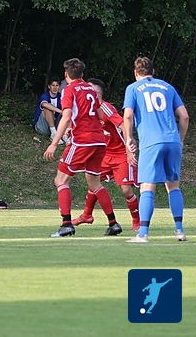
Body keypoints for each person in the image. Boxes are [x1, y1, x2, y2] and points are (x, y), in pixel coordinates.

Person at [42, 58, 121, 237]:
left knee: (61, 180)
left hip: (82, 141)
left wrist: (54, 143)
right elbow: (100, 114)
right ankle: (113, 223)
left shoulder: (69, 90)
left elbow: (67, 115)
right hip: (99, 141)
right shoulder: (91, 89)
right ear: (82, 74)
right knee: (95, 183)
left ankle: (66, 224)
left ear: (66, 74)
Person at [122, 56, 188, 243]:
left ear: (136, 73)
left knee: (147, 186)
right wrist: (180, 140)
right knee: (173, 185)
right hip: (172, 141)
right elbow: (184, 116)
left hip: (151, 142)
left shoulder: (133, 88)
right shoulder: (168, 87)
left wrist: (129, 138)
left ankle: (143, 234)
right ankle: (179, 230)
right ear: (153, 71)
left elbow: (128, 116)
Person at [72, 79, 140, 231]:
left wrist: (129, 150)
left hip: (121, 154)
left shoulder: (105, 108)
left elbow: (123, 125)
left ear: (96, 94)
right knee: (93, 182)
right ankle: (87, 215)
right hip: (104, 155)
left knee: (126, 190)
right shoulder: (87, 109)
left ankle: (137, 220)